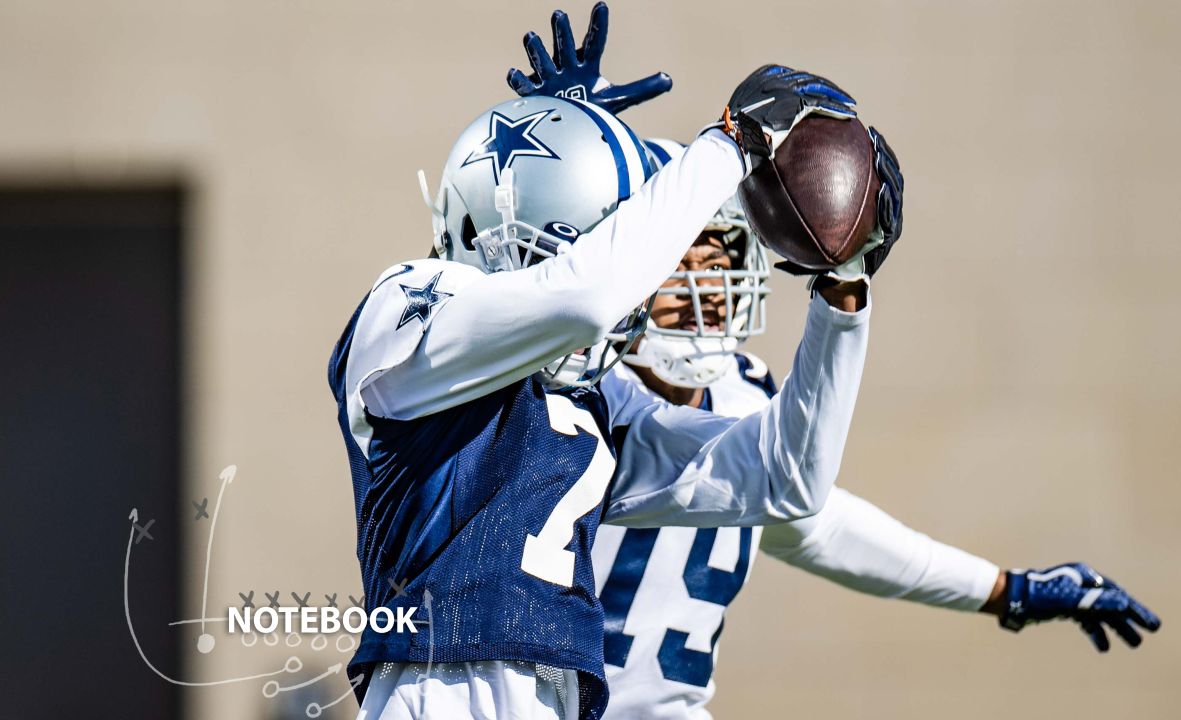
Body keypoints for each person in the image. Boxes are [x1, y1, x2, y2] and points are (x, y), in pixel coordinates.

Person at [506, 7, 1161, 719]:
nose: (707, 282)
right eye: (678, 257)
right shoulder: (559, 392)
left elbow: (822, 524)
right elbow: (487, 323)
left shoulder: (746, 399)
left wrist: (1010, 589)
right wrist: (555, 162)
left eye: (724, 254)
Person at [329, 24, 882, 720]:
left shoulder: (590, 402)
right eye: (587, 238)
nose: (644, 292)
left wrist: (844, 292)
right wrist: (732, 143)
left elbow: (789, 478)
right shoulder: (404, 305)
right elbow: (582, 300)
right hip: (436, 693)